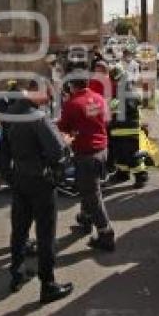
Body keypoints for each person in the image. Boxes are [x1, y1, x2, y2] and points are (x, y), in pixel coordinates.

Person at [1, 83, 74, 303]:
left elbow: (3, 150)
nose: (49, 101)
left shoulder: (11, 114)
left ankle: (17, 272)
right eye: (48, 96)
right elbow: (57, 152)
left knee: (19, 229)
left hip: (20, 178)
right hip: (40, 181)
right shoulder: (38, 118)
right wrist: (66, 145)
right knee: (46, 234)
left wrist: (10, 176)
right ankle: (48, 284)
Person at [57, 72, 115, 252]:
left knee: (92, 193)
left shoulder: (72, 104)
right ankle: (85, 217)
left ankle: (106, 233)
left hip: (86, 153)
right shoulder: (98, 98)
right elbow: (106, 119)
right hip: (102, 150)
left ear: (72, 86)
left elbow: (63, 127)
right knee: (88, 186)